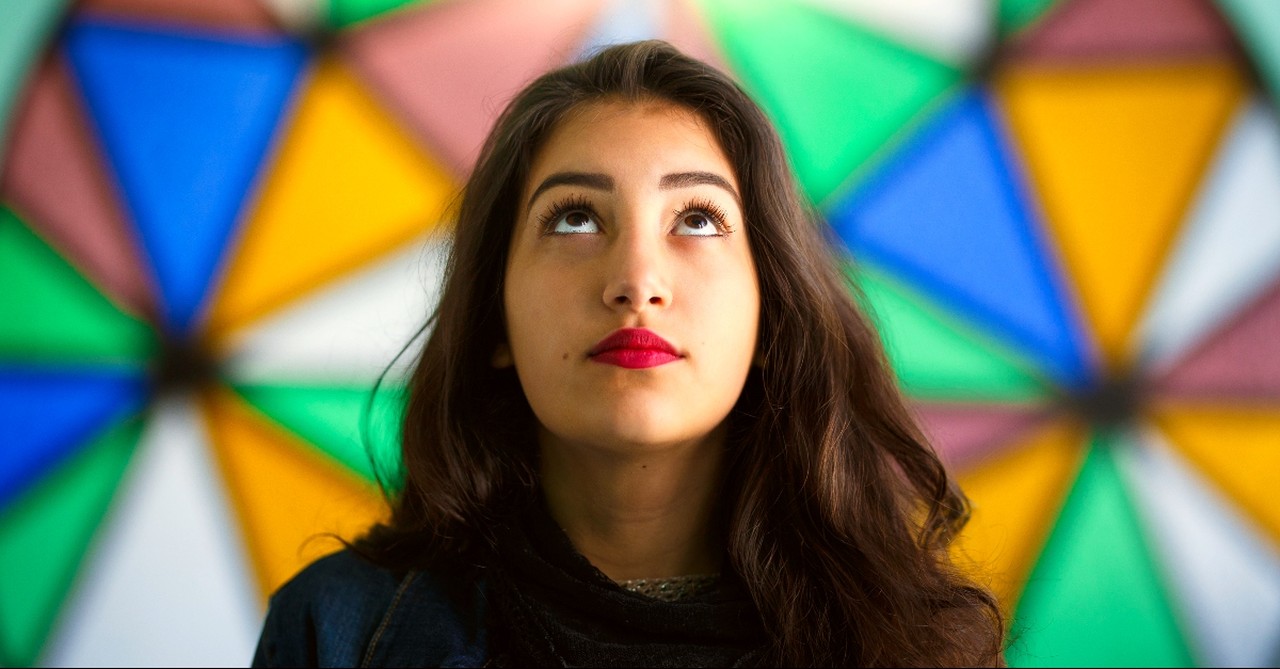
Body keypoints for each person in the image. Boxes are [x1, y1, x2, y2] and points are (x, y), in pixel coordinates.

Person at [252, 40, 1003, 667]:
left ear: (773, 318)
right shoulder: (339, 633)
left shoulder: (919, 645)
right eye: (575, 218)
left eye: (700, 219)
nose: (636, 280)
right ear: (495, 323)